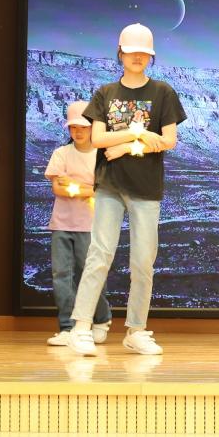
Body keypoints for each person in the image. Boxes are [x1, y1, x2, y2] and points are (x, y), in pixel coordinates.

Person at [63, 23, 186, 357]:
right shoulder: (105, 93)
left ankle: (136, 330)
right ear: (120, 53)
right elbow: (98, 139)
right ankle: (81, 328)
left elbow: (168, 141)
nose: (137, 57)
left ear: (150, 56)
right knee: (100, 255)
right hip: (110, 186)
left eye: (143, 52)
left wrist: (126, 147)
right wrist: (139, 133)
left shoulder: (163, 92)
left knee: (143, 261)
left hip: (146, 188)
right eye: (132, 51)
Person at [44, 101, 111, 348]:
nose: (78, 132)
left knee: (90, 273)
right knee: (61, 275)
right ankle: (67, 327)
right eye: (73, 127)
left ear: (93, 127)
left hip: (91, 226)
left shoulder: (102, 156)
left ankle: (101, 319)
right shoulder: (61, 153)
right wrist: (87, 188)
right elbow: (57, 188)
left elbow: (102, 190)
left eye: (83, 127)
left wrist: (74, 185)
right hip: (62, 224)